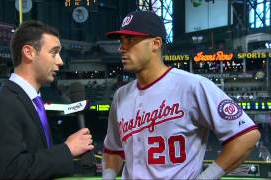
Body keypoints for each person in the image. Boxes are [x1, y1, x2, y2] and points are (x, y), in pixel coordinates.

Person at [102, 11, 261, 180]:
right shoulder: (121, 95)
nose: (121, 48)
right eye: (121, 41)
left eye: (130, 40)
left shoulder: (192, 86)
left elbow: (247, 136)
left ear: (156, 43)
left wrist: (205, 178)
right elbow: (113, 149)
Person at [0, 20, 94, 179]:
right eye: (54, 52)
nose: (60, 61)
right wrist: (66, 150)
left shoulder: (31, 102)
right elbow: (12, 172)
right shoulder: (2, 104)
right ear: (29, 52)